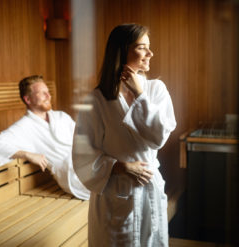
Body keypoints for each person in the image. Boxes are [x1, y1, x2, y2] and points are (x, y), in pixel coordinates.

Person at [73, 23, 176, 246]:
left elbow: (158, 137)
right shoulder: (97, 99)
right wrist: (120, 166)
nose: (150, 53)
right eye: (142, 47)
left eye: (149, 47)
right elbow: (82, 154)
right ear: (121, 51)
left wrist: (139, 93)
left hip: (149, 187)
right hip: (114, 192)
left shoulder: (156, 90)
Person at [0, 75, 90, 200]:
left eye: (48, 92)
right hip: (73, 176)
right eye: (42, 93)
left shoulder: (61, 116)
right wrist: (27, 154)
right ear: (28, 99)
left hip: (87, 163)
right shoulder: (24, 127)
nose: (48, 96)